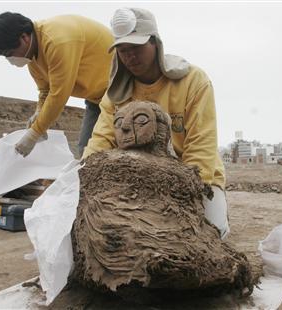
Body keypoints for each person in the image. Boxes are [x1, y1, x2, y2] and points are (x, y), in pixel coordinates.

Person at [83, 8, 229, 238]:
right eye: (123, 50)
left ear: (155, 43)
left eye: (136, 48)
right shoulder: (115, 95)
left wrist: (185, 196)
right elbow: (100, 142)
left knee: (208, 233)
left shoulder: (192, 82)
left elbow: (202, 147)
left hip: (192, 178)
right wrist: (82, 177)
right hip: (137, 178)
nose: (130, 56)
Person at [0, 12, 114, 157]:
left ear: (24, 37)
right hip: (97, 99)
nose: (10, 59)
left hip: (121, 91)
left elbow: (59, 94)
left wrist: (35, 133)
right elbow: (45, 90)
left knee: (101, 151)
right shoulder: (33, 56)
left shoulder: (57, 41)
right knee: (86, 152)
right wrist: (39, 111)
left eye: (10, 52)